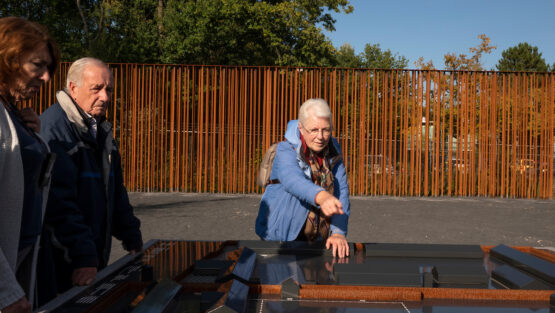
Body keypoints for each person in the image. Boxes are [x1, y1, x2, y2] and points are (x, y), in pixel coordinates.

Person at [39, 57, 142, 295]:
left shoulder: (99, 129)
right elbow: (58, 206)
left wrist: (131, 236)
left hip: (90, 260)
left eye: (109, 90)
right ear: (73, 88)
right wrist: (83, 256)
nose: (105, 97)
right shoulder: (56, 132)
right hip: (61, 266)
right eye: (96, 89)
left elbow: (115, 190)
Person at [0, 17, 60, 313]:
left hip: (23, 257)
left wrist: (33, 138)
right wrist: (5, 291)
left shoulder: (13, 111)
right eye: (37, 65)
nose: (47, 77)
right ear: (8, 60)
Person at [255, 98, 350, 258]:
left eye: (326, 130)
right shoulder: (286, 150)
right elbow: (292, 180)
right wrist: (322, 196)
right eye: (314, 130)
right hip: (280, 237)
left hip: (319, 239)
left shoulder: (334, 152)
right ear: (301, 128)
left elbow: (342, 194)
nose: (320, 137)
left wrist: (339, 232)